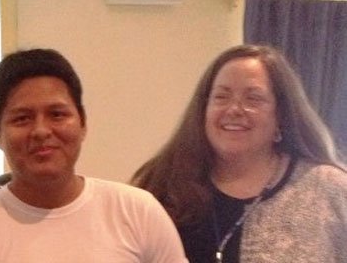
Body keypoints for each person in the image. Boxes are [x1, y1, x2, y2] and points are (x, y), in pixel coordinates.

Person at [0, 48, 188, 262]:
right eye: (22, 118)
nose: (41, 131)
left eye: (57, 114)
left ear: (83, 122)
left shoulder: (139, 212)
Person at [131, 44, 347, 262]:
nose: (234, 109)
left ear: (282, 114)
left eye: (253, 98)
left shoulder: (329, 190)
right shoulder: (160, 185)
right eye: (221, 97)